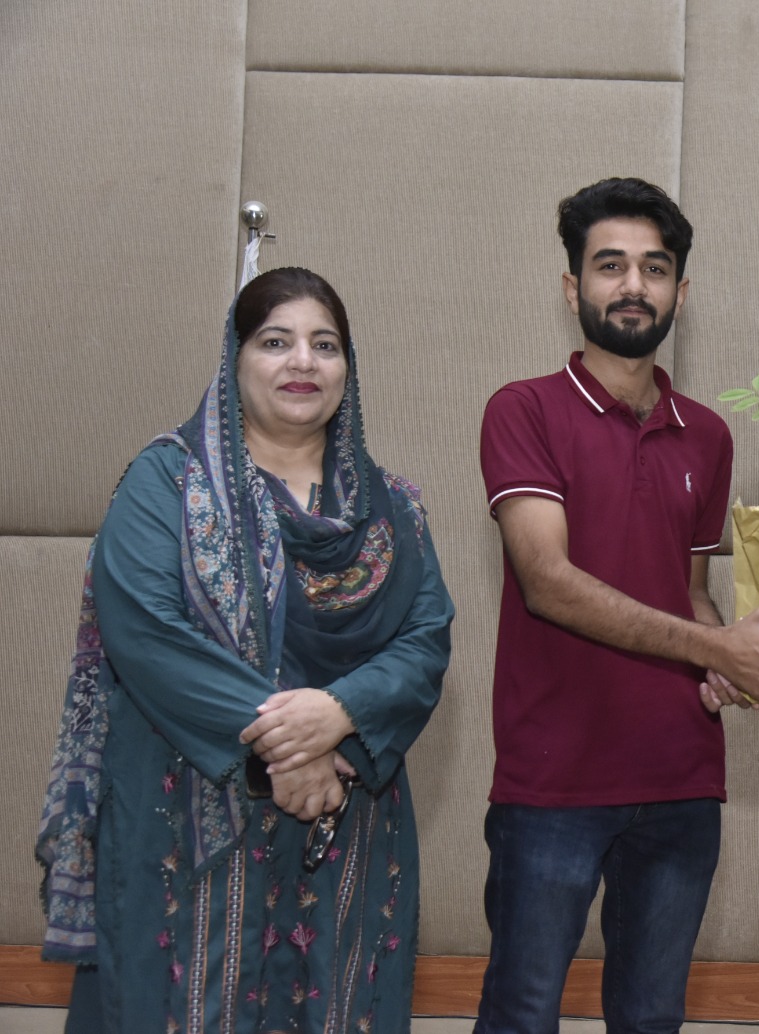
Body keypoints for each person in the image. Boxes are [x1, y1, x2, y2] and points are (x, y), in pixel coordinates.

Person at [35, 266, 454, 1033]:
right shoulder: (165, 483)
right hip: (186, 820)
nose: (303, 362)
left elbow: (424, 640)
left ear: (348, 368)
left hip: (347, 824)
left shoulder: (393, 508)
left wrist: (339, 714)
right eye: (275, 341)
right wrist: (291, 749)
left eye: (325, 344)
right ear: (234, 360)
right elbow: (148, 634)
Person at [474, 177, 759, 1034]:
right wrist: (716, 648)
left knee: (651, 1018)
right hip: (552, 784)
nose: (633, 285)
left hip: (681, 781)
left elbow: (691, 596)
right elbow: (547, 581)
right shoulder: (523, 410)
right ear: (572, 287)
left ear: (682, 290)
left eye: (655, 267)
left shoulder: (708, 434)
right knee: (521, 1015)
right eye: (610, 266)